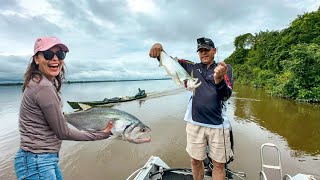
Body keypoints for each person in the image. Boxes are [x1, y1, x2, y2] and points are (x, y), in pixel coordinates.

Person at [14, 36, 114, 180]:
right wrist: (101, 134)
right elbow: (62, 132)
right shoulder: (43, 87)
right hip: (37, 162)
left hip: (41, 159)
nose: (55, 59)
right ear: (36, 59)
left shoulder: (42, 82)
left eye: (60, 54)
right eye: (48, 54)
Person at [149, 37, 234, 180]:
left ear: (214, 50)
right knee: (195, 161)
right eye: (200, 50)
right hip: (194, 123)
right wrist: (159, 50)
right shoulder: (192, 67)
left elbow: (226, 96)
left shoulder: (224, 68)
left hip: (218, 125)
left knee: (219, 165)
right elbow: (171, 62)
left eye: (206, 49)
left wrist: (219, 80)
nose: (203, 53)